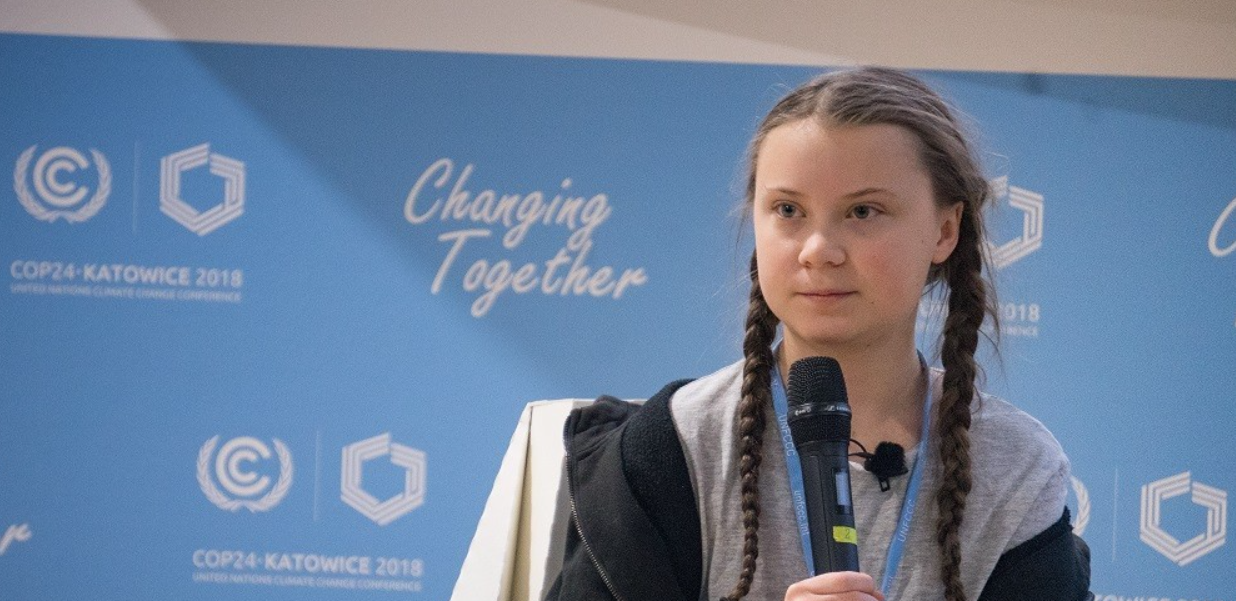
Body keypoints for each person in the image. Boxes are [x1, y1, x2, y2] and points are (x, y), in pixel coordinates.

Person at [546, 67, 1092, 601]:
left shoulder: (1014, 464)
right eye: (788, 210)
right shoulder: (674, 447)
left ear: (945, 231)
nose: (818, 250)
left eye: (863, 211)